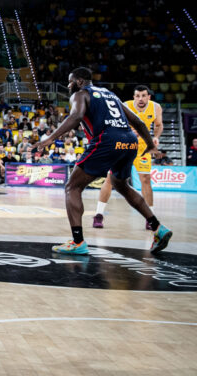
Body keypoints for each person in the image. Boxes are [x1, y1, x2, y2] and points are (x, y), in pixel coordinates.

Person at [32, 68, 171, 255]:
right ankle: (157, 227)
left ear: (80, 82)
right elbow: (137, 121)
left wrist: (50, 138)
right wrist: (150, 145)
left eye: (70, 81)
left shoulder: (80, 94)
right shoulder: (111, 95)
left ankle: (78, 241)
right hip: (129, 141)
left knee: (72, 187)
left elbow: (76, 116)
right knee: (121, 185)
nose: (68, 85)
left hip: (107, 140)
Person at [92, 85, 163, 229]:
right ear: (134, 97)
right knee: (110, 179)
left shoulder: (156, 107)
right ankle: (98, 215)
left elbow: (159, 124)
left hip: (143, 147)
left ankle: (150, 217)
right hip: (124, 144)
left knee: (146, 179)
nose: (140, 99)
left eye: (143, 96)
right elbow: (114, 124)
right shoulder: (125, 106)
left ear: (149, 97)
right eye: (137, 96)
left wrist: (156, 137)